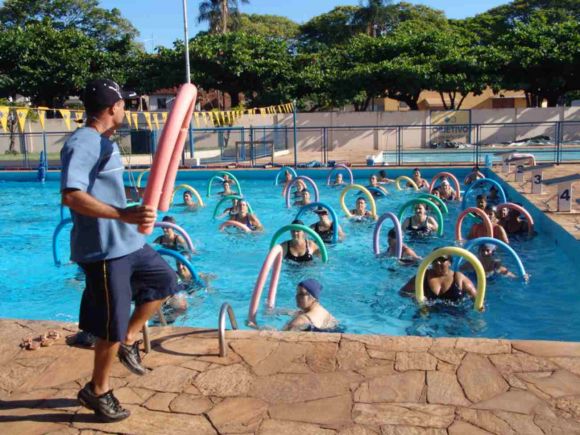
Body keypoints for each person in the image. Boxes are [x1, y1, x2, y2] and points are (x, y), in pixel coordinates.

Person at [61, 79, 178, 421]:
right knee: (109, 326)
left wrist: (134, 200)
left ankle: (128, 339)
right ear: (112, 108)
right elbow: (71, 194)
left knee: (164, 281)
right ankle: (97, 391)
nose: (127, 109)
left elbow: (102, 186)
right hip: (104, 249)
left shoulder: (104, 143)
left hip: (128, 242)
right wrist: (122, 213)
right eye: (124, 104)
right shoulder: (83, 142)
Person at [400, 252, 477, 302]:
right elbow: (402, 292)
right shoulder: (423, 276)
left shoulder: (459, 278)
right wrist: (414, 296)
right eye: (435, 259)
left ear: (450, 263)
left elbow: (477, 299)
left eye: (442, 259)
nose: (437, 262)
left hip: (455, 315)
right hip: (428, 313)